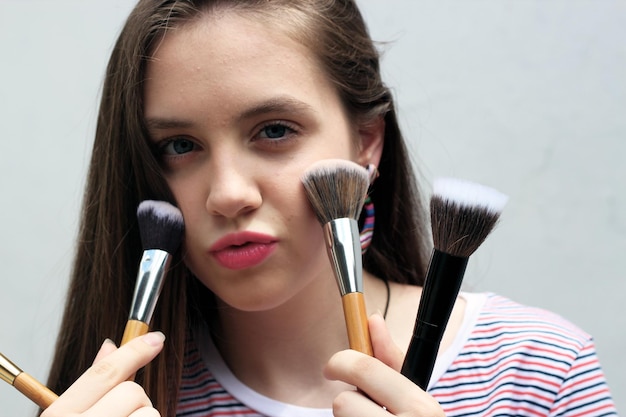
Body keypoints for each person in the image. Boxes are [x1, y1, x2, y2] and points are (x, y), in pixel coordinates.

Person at [41, 1, 617, 416]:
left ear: (367, 143)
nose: (228, 194)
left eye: (273, 130)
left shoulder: (536, 367)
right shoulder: (118, 399)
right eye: (180, 146)